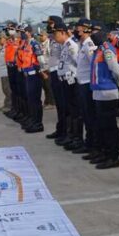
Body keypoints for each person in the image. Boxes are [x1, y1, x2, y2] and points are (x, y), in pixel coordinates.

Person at [89, 27, 119, 169]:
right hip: (98, 92)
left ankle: (113, 157)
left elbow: (115, 70)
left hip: (108, 92)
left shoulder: (106, 49)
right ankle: (104, 153)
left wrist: (117, 83)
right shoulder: (98, 50)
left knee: (109, 127)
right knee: (102, 126)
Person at [70, 18, 97, 154]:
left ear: (85, 28)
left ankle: (91, 144)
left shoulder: (89, 44)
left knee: (89, 116)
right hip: (81, 84)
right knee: (84, 115)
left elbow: (94, 64)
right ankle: (88, 142)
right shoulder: (82, 44)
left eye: (78, 27)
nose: (76, 30)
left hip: (87, 85)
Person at [55, 20, 83, 149]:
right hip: (65, 81)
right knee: (68, 109)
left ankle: (76, 138)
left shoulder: (72, 45)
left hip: (71, 81)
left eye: (56, 34)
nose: (54, 37)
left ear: (62, 33)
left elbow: (79, 63)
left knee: (74, 110)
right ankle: (70, 135)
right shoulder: (65, 45)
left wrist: (74, 76)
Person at [18, 25, 46, 133]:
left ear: (29, 32)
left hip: (34, 75)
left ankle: (38, 123)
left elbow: (41, 59)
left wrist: (42, 70)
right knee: (30, 99)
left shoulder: (35, 44)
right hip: (27, 74)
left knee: (35, 100)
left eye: (23, 32)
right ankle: (33, 120)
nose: (22, 34)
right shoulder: (26, 45)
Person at [43, 17, 67, 141]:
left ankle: (65, 131)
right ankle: (60, 129)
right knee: (59, 104)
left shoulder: (62, 40)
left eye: (50, 24)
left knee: (63, 105)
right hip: (52, 72)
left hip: (60, 73)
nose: (49, 26)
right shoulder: (52, 39)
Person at [0, 33, 12, 111]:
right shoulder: (3, 48)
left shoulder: (8, 47)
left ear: (5, 39)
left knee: (7, 89)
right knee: (5, 89)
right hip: (2, 71)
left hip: (6, 71)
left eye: (0, 38)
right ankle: (6, 104)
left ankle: (9, 105)